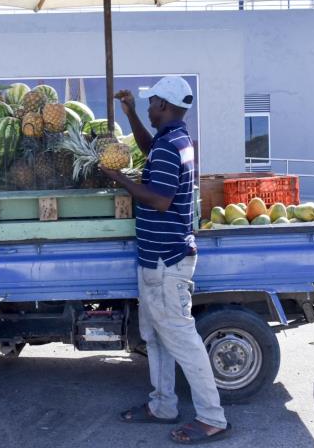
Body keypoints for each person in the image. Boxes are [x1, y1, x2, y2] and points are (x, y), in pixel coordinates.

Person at [99, 76, 229, 444]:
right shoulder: (173, 139)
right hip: (157, 259)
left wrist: (118, 178)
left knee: (182, 341)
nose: (150, 107)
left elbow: (160, 200)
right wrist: (132, 115)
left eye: (152, 102)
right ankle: (162, 405)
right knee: (155, 339)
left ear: (166, 106)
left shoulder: (172, 145)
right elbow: (149, 148)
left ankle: (211, 418)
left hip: (166, 262)